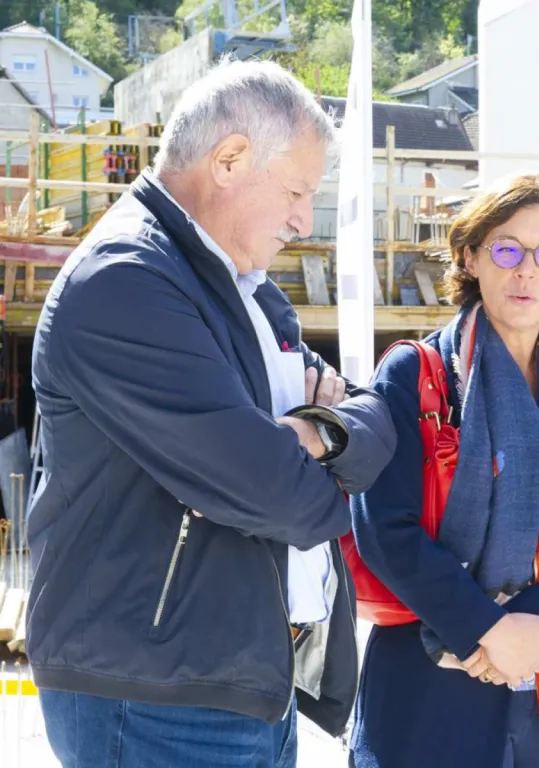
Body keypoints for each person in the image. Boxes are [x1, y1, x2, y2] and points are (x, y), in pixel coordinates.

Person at [28, 59, 396, 767]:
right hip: (153, 692)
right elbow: (280, 497)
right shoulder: (126, 283)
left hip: (235, 676)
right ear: (228, 159)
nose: (301, 218)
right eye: (295, 191)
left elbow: (373, 421)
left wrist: (310, 433)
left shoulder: (243, 288)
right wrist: (313, 444)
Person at [347, 173, 539, 767]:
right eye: (507, 249)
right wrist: (489, 630)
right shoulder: (417, 376)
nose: (526, 270)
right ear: (470, 257)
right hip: (434, 670)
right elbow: (384, 528)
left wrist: (533, 632)